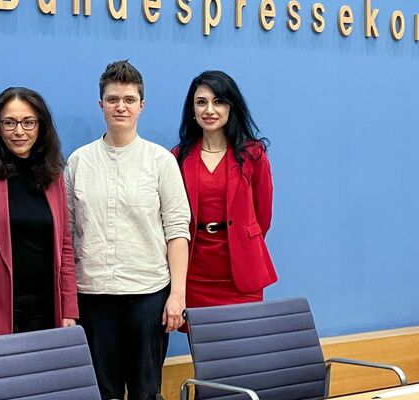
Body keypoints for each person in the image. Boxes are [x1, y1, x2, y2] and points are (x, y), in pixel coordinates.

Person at [65, 60, 190, 400]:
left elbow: (177, 231)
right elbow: (67, 233)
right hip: (93, 295)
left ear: (141, 105)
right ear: (101, 104)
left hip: (147, 294)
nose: (121, 106)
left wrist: (177, 295)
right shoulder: (78, 161)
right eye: (113, 99)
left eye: (129, 99)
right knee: (101, 390)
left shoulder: (161, 161)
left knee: (145, 391)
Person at [0, 87, 78, 338]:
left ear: (41, 127)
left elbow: (65, 246)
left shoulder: (53, 178)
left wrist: (69, 309)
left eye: (28, 122)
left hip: (47, 307)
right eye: (10, 123)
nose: (19, 131)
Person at [172, 70, 277, 316]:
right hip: (195, 273)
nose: (209, 110)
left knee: (243, 338)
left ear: (231, 106)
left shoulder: (253, 155)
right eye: (201, 102)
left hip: (241, 271)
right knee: (203, 339)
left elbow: (263, 216)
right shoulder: (178, 157)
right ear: (192, 110)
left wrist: (241, 238)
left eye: (218, 101)